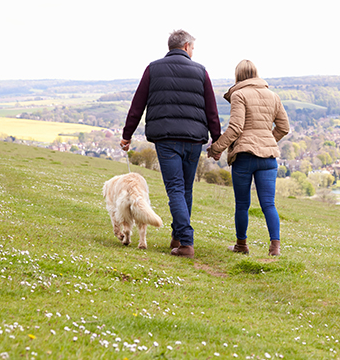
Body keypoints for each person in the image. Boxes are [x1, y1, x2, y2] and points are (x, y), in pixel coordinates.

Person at [120, 30, 221, 259]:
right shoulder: (201, 71)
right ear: (186, 46)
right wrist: (217, 139)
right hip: (194, 140)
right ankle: (178, 237)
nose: (193, 52)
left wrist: (127, 135)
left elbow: (138, 104)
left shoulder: (153, 69)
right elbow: (211, 109)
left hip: (166, 139)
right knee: (185, 189)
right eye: (193, 48)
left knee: (175, 189)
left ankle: (185, 241)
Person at [208, 60, 289, 256]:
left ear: (238, 76)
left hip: (244, 157)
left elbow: (236, 128)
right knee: (268, 203)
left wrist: (216, 148)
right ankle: (275, 247)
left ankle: (241, 245)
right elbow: (284, 127)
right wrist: (267, 141)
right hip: (268, 158)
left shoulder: (239, 94)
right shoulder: (273, 96)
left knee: (242, 204)